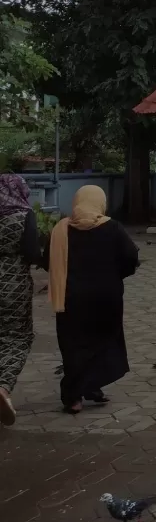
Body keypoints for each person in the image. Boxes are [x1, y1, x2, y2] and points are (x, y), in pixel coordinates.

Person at [45, 184, 139, 413]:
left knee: (74, 346)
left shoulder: (61, 230)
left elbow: (47, 260)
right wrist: (115, 275)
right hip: (106, 298)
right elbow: (131, 257)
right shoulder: (113, 228)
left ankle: (74, 398)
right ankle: (93, 386)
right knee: (102, 342)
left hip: (71, 299)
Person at [0, 174, 40, 425]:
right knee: (17, 337)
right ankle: (3, 388)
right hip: (13, 286)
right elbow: (33, 253)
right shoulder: (24, 215)